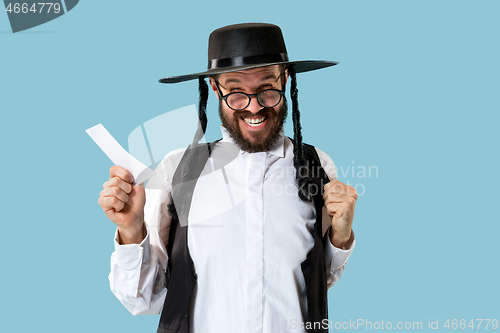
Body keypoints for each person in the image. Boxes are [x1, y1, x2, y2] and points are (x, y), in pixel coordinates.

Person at [98, 23, 357, 333]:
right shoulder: (178, 172)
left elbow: (316, 284)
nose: (254, 106)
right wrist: (130, 230)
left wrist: (340, 238)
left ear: (285, 79)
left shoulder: (317, 166)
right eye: (236, 92)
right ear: (214, 87)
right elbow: (143, 301)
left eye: (267, 88)